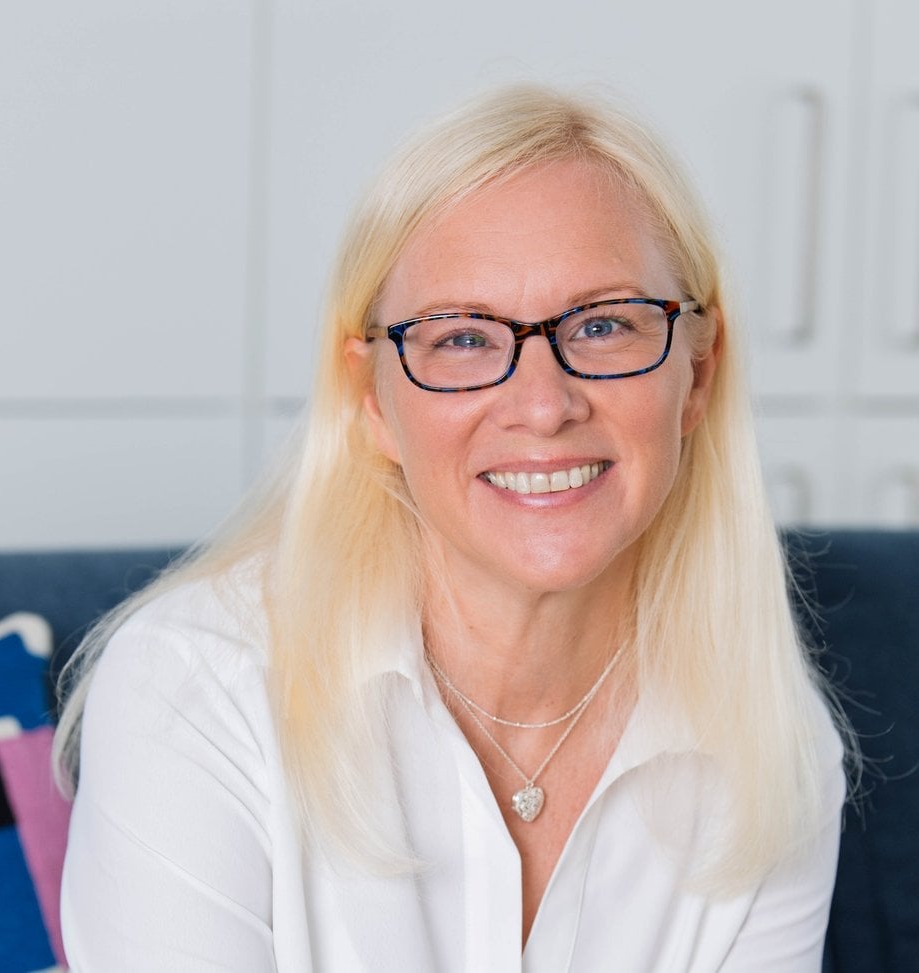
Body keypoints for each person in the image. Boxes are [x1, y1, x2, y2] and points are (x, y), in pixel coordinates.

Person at [55, 84, 851, 971]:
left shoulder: (770, 748)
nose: (543, 405)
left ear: (697, 376)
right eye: (463, 338)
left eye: (603, 325)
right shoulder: (192, 690)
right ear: (372, 400)